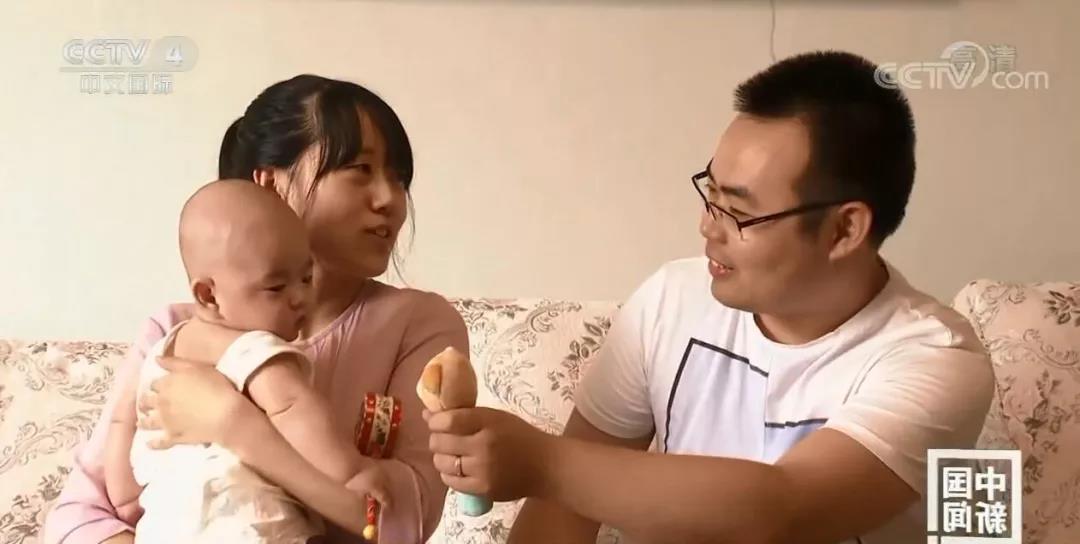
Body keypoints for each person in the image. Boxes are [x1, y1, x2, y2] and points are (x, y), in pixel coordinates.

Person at [425, 51, 995, 544]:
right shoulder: (671, 300)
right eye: (711, 193)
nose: (707, 226)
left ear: (844, 230)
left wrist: (543, 463)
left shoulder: (938, 358)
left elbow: (784, 509)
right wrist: (551, 477)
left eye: (739, 211)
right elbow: (564, 513)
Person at [45, 74, 467, 544]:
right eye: (360, 169)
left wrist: (236, 426)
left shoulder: (418, 325)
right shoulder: (174, 330)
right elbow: (79, 515)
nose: (390, 199)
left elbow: (401, 523)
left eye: (399, 177)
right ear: (270, 184)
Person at [104, 179, 391, 543]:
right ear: (209, 296)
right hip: (253, 531)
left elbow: (122, 427)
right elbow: (297, 412)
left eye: (306, 278)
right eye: (276, 287)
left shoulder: (160, 355)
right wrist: (352, 473)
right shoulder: (254, 351)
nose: (300, 297)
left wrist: (128, 500)